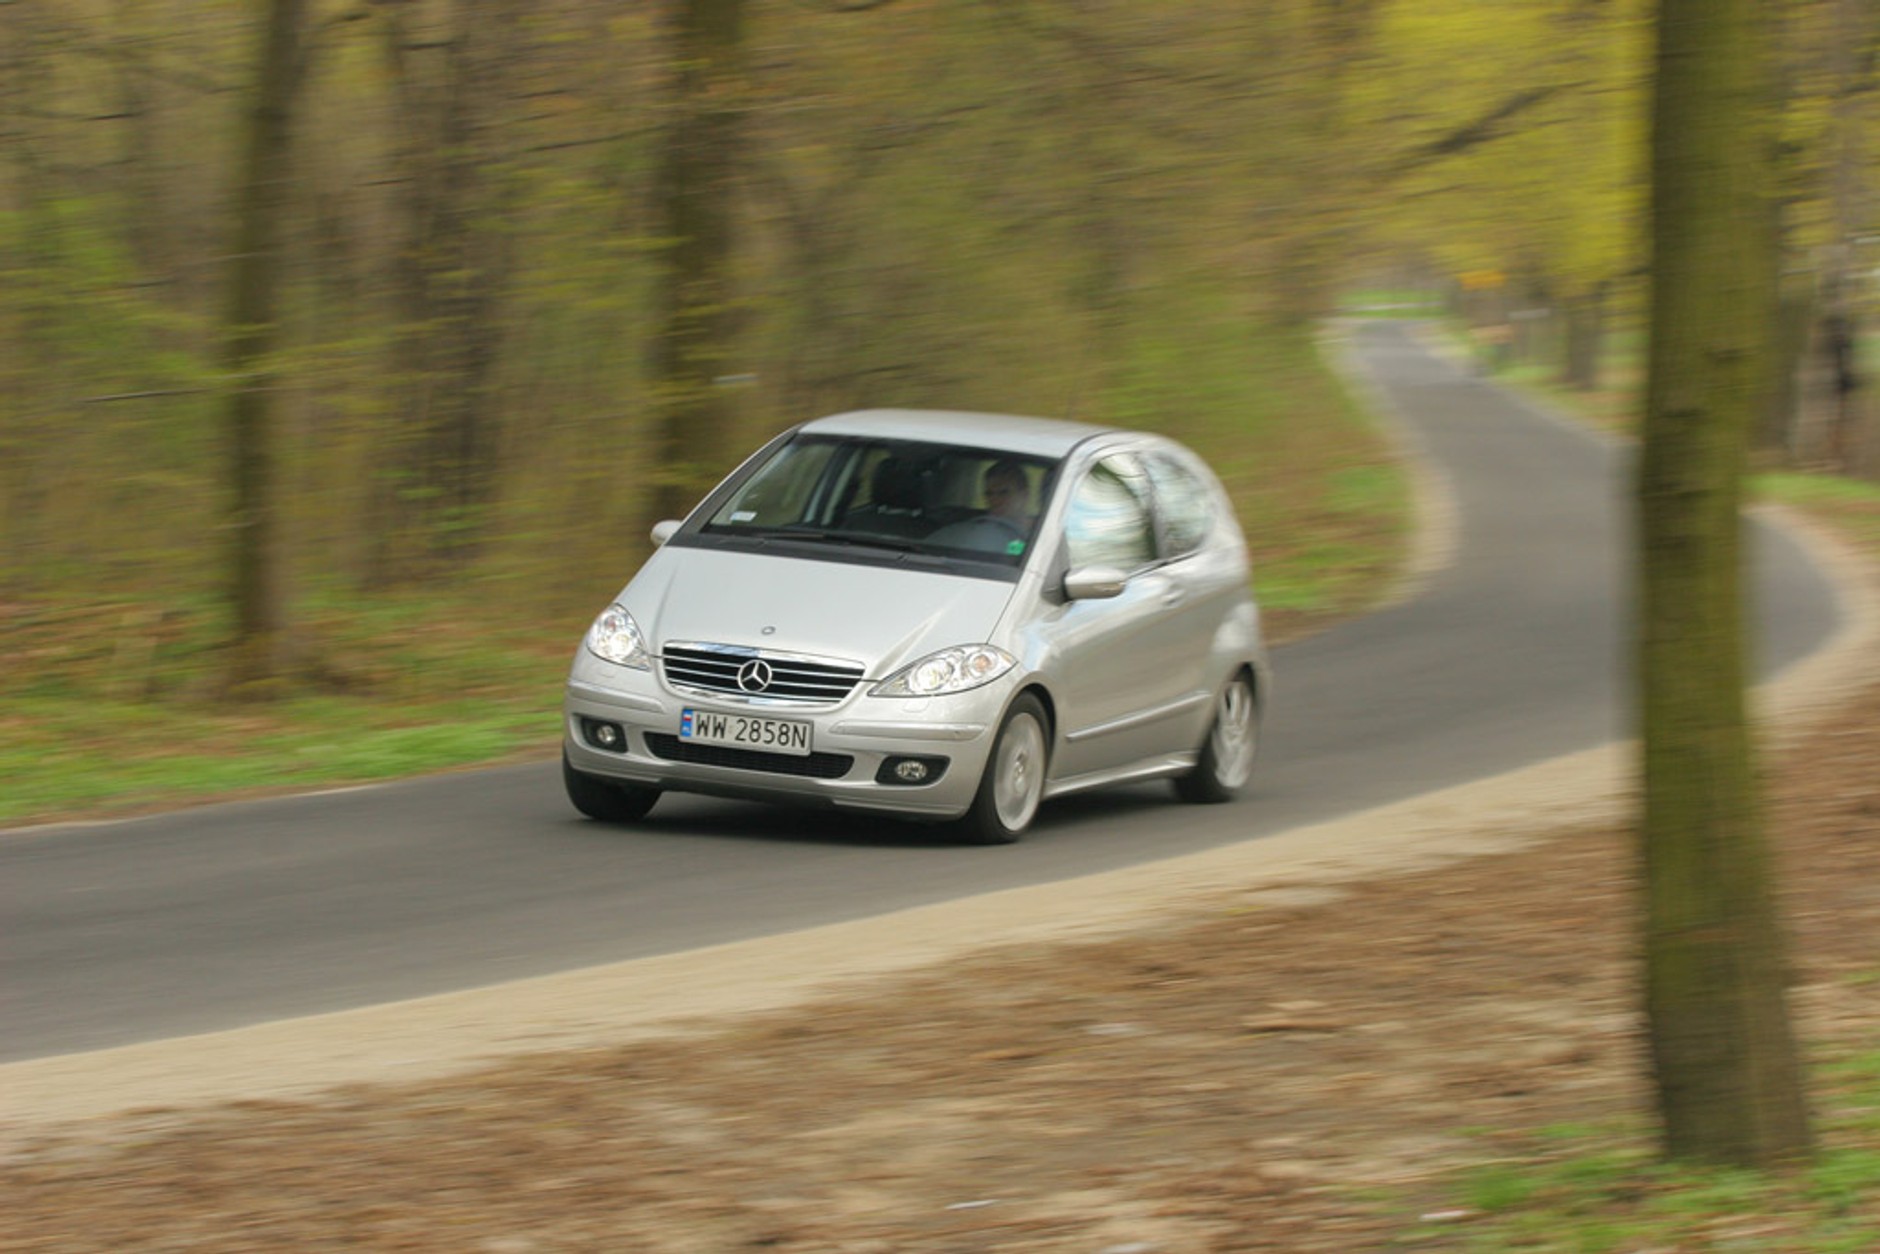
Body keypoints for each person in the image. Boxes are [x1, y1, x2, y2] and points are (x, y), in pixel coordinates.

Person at [982, 459, 1034, 530]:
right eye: (989, 493)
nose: (994, 501)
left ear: (1024, 496)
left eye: (1003, 493)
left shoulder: (1040, 531)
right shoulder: (981, 530)